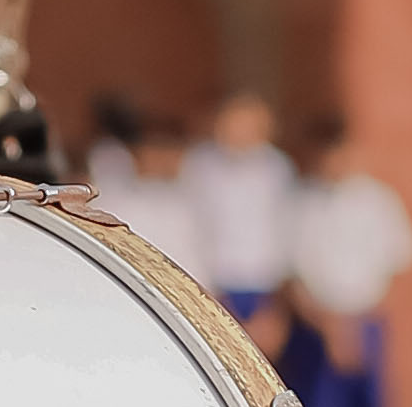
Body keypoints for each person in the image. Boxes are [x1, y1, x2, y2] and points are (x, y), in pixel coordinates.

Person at [279, 114, 412, 407]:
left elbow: (396, 269)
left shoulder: (378, 201)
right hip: (315, 325)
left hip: (365, 321)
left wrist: (357, 326)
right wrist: (329, 327)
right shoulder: (298, 202)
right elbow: (292, 274)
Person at [179, 83, 299, 339]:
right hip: (214, 287)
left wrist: (275, 304)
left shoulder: (276, 168)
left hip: (264, 289)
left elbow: (286, 233)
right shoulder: (199, 165)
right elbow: (191, 230)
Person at [86, 102, 212, 278]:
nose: (165, 161)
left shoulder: (188, 202)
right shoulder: (115, 203)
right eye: (158, 153)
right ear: (140, 155)